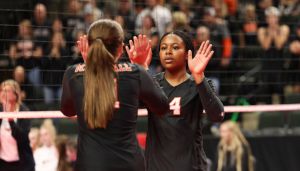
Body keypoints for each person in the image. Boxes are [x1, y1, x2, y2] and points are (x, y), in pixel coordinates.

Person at [60, 19, 169, 171]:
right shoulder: (136, 72)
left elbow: (67, 110)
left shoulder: (72, 73)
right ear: (120, 49)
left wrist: (90, 71)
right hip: (129, 164)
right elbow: (162, 107)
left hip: (89, 164)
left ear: (90, 46)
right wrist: (142, 68)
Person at [140, 31, 225, 171]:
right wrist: (140, 72)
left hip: (191, 166)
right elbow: (126, 107)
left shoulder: (201, 83)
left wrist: (199, 77)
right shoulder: (152, 83)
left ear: (187, 54)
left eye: (175, 47)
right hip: (157, 166)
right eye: (163, 48)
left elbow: (217, 116)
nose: (168, 52)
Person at [0, 79, 35, 171]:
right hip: (3, 163)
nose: (3, 93)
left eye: (7, 91)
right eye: (1, 90)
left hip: (23, 164)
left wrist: (10, 117)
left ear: (15, 94)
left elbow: (22, 138)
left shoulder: (24, 111)